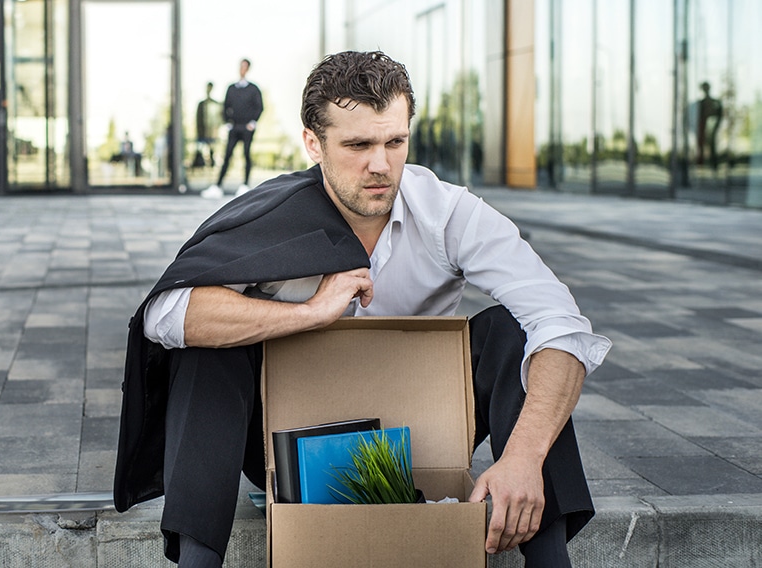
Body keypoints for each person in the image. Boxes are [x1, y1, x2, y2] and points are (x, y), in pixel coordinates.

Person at [114, 51, 611, 568]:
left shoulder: (447, 213)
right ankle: (198, 563)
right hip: (285, 445)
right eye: (357, 145)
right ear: (313, 143)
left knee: (515, 331)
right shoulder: (271, 212)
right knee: (208, 345)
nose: (380, 164)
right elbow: (165, 313)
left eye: (394, 142)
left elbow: (562, 324)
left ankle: (551, 561)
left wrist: (523, 460)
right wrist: (309, 312)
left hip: (419, 432)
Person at [202, 59, 263, 199]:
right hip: (234, 128)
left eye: (245, 67)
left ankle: (245, 185)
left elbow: (259, 107)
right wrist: (227, 123)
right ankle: (217, 186)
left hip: (247, 128)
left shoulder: (253, 89)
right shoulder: (231, 88)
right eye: (241, 66)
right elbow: (225, 107)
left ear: (248, 69)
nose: (242, 69)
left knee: (246, 155)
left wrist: (252, 123)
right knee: (227, 155)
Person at [193, 82, 221, 169]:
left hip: (211, 131)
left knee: (211, 148)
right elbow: (198, 119)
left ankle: (210, 162)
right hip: (203, 131)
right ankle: (200, 163)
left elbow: (218, 118)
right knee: (201, 148)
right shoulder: (202, 104)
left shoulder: (215, 104)